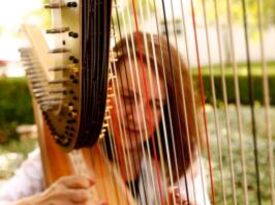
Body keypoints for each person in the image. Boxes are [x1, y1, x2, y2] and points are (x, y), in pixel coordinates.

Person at [0, 32, 210, 205]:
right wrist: (38, 202)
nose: (136, 117)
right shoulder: (68, 150)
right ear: (105, 90)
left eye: (154, 104)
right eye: (128, 97)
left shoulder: (180, 159)